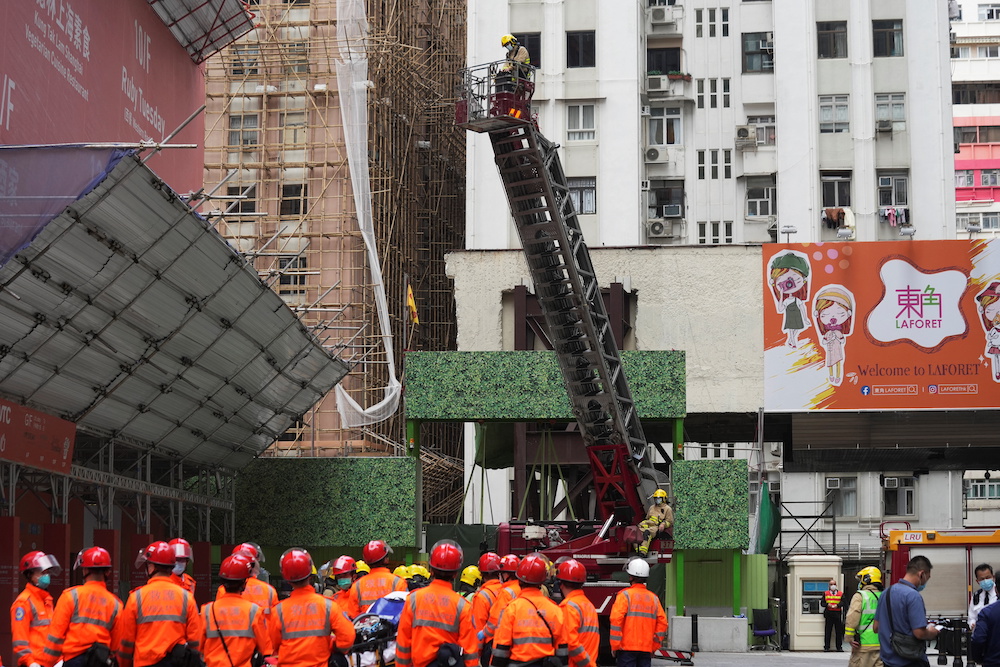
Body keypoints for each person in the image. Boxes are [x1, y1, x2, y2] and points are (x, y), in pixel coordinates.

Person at [118, 541, 203, 667]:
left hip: (145, 663)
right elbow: (195, 639)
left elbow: (126, 640)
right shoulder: (186, 597)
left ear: (152, 566)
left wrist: (124, 664)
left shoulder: (136, 597)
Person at [395, 540, 478, 667]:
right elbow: (470, 652)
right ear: (455, 574)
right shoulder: (463, 606)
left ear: (431, 570)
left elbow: (404, 643)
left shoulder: (413, 599)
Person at [269, 548, 355, 667]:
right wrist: (331, 644)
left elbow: (273, 645)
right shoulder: (329, 606)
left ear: (287, 579)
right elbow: (347, 639)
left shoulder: (277, 611)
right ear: (310, 575)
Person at [40, 547, 122, 667]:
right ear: (107, 572)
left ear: (84, 570)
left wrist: (46, 663)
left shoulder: (70, 596)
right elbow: (116, 644)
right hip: (100, 661)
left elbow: (55, 636)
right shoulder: (116, 604)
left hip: (74, 661)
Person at [491, 554, 568, 667]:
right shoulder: (555, 610)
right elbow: (563, 652)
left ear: (519, 579)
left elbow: (501, 649)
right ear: (542, 581)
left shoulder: (511, 609)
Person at [199, 554, 271, 667]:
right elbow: (264, 648)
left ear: (222, 581)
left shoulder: (207, 611)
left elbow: (198, 646)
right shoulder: (254, 611)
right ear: (244, 583)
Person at [873, 555, 939, 667]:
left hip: (888, 661)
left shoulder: (886, 593)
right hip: (910, 660)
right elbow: (919, 633)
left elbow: (876, 627)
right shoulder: (913, 596)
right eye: (927, 578)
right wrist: (932, 632)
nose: (925, 583)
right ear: (921, 574)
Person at [609, 558, 667, 667]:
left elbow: (616, 621)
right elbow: (662, 623)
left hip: (626, 649)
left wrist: (615, 646)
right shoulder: (653, 598)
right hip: (646, 649)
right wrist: (654, 646)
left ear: (630, 577)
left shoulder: (624, 596)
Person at [11, 551, 60, 667]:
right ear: (30, 575)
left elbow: (53, 634)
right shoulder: (23, 603)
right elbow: (20, 640)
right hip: (34, 664)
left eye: (47, 572)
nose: (46, 575)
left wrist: (59, 659)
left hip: (51, 663)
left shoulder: (47, 600)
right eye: (42, 572)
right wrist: (30, 662)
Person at [219, 543, 279, 629]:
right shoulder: (269, 591)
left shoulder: (223, 590)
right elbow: (275, 622)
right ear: (253, 564)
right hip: (264, 638)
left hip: (234, 639)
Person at [346, 540, 407, 618]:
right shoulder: (398, 582)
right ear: (386, 559)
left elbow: (353, 616)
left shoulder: (357, 585)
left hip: (365, 628)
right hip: (392, 628)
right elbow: (404, 613)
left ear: (366, 562)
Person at [557, 559, 598, 667]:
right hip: (589, 662)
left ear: (561, 584)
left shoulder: (568, 607)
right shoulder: (589, 605)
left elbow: (572, 644)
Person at [844, 566, 884, 667]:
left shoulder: (860, 596)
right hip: (882, 645)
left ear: (866, 579)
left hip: (863, 645)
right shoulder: (884, 596)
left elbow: (852, 617)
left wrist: (849, 637)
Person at [478, 554, 521, 648]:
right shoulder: (521, 588)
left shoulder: (506, 593)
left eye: (502, 573)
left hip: (498, 640)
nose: (500, 576)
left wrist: (484, 633)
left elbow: (495, 619)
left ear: (507, 575)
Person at [471, 553, 503, 667]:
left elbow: (478, 626)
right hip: (507, 645)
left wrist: (477, 655)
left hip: (489, 647)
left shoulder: (482, 596)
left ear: (481, 573)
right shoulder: (507, 590)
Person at [637, 489, 673, 556]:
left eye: (659, 498)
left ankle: (643, 552)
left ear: (664, 498)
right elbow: (647, 518)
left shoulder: (667, 509)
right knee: (636, 532)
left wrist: (663, 524)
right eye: (655, 498)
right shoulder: (652, 507)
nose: (657, 500)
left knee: (647, 533)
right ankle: (637, 550)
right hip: (648, 524)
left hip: (656, 527)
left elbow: (670, 522)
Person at [970, 591, 1000, 666]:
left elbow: (978, 639)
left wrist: (978, 659)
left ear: (996, 589)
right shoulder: (976, 596)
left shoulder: (987, 612)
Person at [970, 563, 998, 631]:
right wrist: (972, 624)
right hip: (981, 634)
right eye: (982, 579)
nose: (985, 581)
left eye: (988, 577)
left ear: (993, 577)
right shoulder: (976, 596)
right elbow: (972, 617)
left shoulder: (998, 593)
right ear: (977, 581)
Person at [822, 577, 845, 652]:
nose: (833, 586)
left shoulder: (840, 594)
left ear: (836, 585)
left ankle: (839, 647)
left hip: (837, 613)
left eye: (834, 584)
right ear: (829, 585)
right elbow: (822, 603)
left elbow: (844, 602)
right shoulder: (825, 593)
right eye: (831, 584)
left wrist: (837, 605)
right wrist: (827, 605)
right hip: (829, 613)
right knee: (828, 631)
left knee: (838, 631)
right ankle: (826, 647)